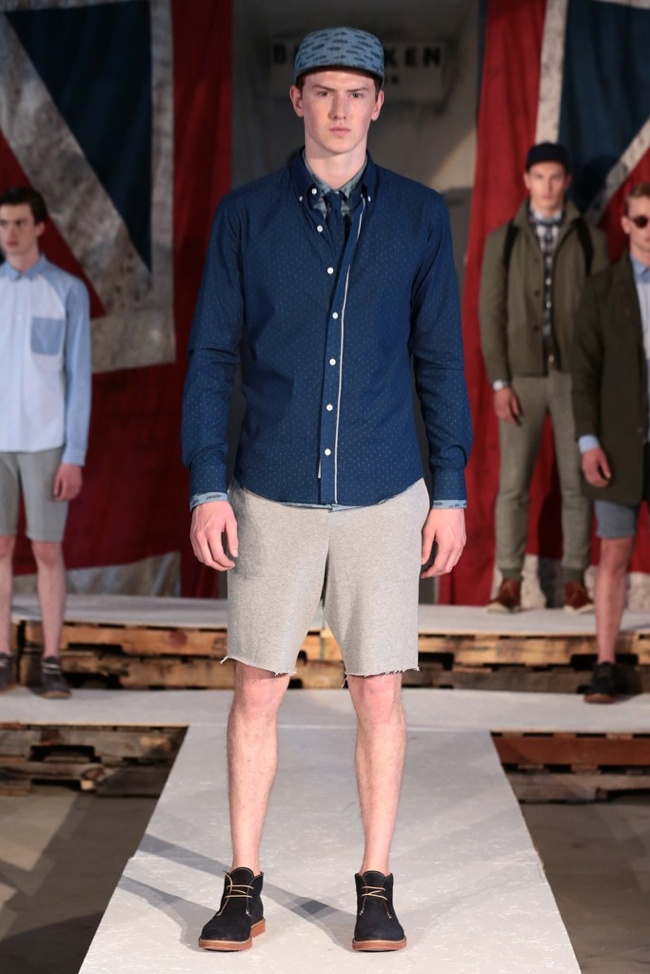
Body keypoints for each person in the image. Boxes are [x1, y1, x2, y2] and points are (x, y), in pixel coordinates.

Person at [181, 26, 472, 954]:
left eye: (357, 93)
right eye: (324, 91)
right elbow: (212, 356)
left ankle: (375, 885)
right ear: (297, 99)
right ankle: (243, 884)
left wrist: (453, 491)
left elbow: (440, 359)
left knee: (378, 693)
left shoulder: (420, 217)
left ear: (379, 104)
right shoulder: (245, 217)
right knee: (258, 690)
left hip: (386, 491)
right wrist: (206, 485)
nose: (340, 109)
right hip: (269, 491)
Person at [480, 142, 609, 613]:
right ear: (526, 180)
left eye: (556, 177)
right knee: (513, 484)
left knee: (577, 483)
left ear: (567, 181)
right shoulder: (504, 240)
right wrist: (500, 382)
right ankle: (510, 581)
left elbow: (600, 315)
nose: (548, 186)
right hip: (522, 378)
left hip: (574, 378)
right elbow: (490, 314)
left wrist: (595, 380)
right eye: (539, 177)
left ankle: (575, 581)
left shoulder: (590, 239)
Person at [0, 187, 91, 699]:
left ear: (39, 226)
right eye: (2, 224)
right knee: (0, 547)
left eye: (19, 223)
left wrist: (73, 455)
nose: (9, 233)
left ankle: (51, 659)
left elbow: (79, 379)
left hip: (45, 442)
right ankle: (2, 656)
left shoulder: (66, 291)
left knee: (46, 548)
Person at [572, 183, 650, 703]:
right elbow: (584, 375)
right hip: (618, 447)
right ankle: (604, 664)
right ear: (625, 224)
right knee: (615, 551)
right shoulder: (602, 290)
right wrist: (588, 442)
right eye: (641, 220)